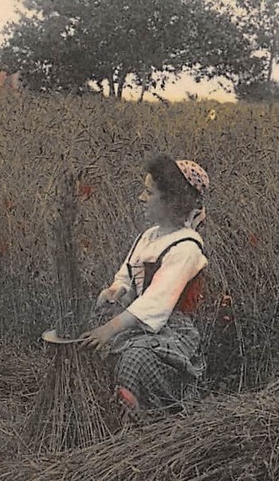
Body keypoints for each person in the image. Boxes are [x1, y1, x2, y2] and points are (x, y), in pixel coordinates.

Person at [81, 155, 209, 413]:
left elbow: (155, 303)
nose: (141, 198)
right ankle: (104, 413)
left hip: (169, 333)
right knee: (91, 347)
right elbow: (126, 276)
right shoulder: (148, 237)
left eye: (149, 193)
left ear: (171, 200)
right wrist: (115, 291)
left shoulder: (186, 247)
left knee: (134, 359)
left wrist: (109, 330)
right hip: (137, 324)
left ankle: (144, 420)